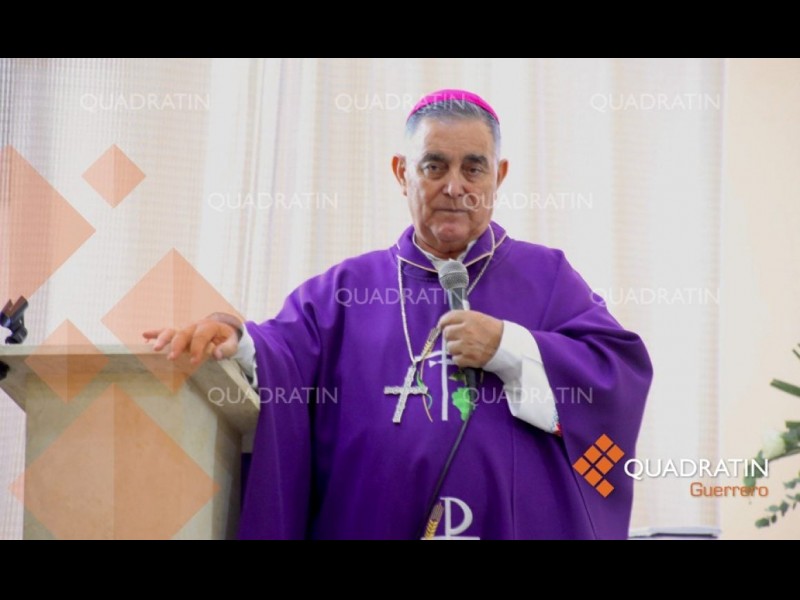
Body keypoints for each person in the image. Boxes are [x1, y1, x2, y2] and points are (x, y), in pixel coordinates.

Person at [145, 89, 652, 540]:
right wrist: (234, 338)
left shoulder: (547, 277)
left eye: (474, 168)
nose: (454, 186)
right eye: (434, 166)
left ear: (498, 176)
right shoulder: (344, 291)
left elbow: (616, 375)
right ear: (401, 173)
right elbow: (281, 354)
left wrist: (508, 347)